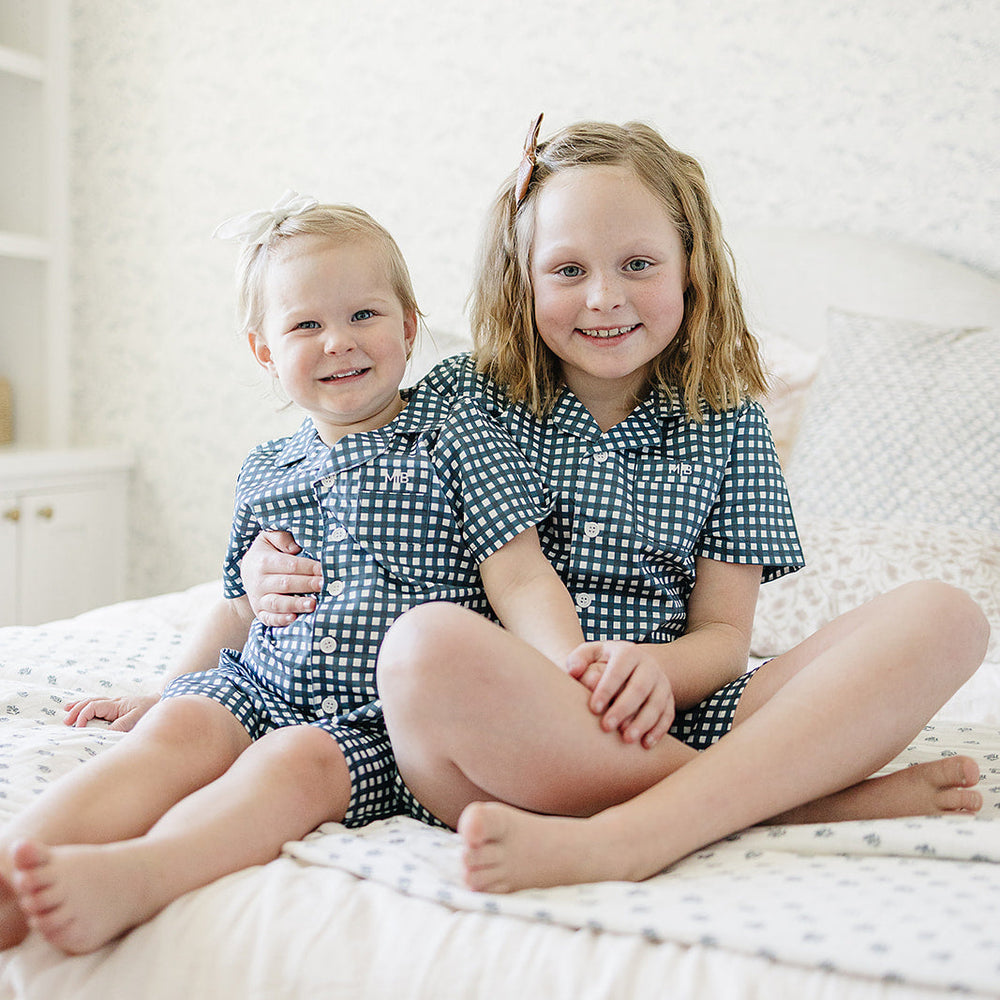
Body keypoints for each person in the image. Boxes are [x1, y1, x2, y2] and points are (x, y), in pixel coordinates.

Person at [242, 119, 989, 893]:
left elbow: (726, 638)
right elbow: (347, 484)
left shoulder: (728, 422)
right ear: (521, 279)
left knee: (947, 616)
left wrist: (654, 672)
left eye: (638, 264)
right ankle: (777, 801)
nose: (604, 298)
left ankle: (644, 828)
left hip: (680, 714)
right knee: (420, 647)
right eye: (567, 269)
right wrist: (270, 564)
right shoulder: (464, 397)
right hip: (513, 733)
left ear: (690, 268)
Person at [0, 195, 585, 954]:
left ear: (410, 327)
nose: (338, 341)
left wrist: (568, 677)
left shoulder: (453, 438)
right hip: (261, 683)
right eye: (306, 325)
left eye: (364, 315)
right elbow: (240, 609)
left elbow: (521, 577)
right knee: (176, 730)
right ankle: (19, 859)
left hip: (373, 721)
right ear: (265, 352)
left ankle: (143, 872)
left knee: (290, 767)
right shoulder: (268, 468)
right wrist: (166, 689)